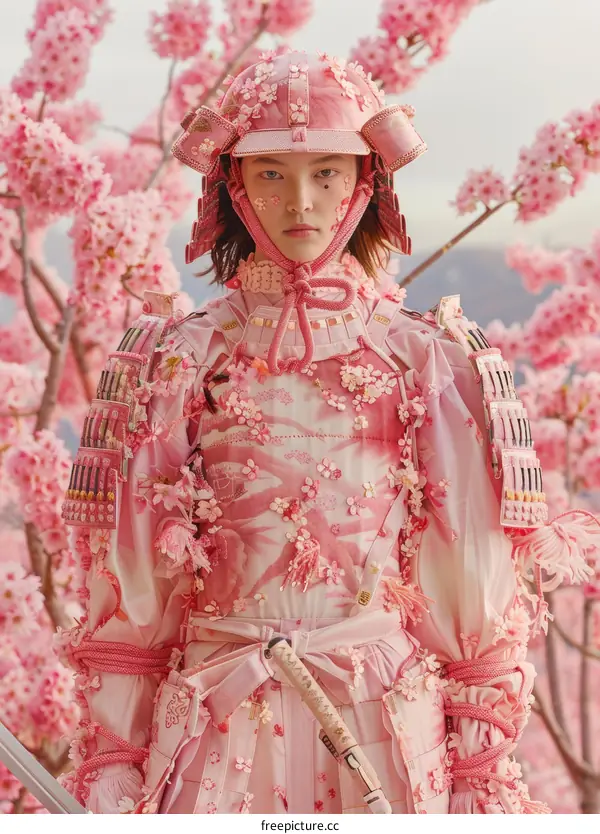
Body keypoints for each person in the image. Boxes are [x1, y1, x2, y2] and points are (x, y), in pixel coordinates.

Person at [59, 50, 597, 815]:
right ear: (234, 188)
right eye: (271, 173)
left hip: (384, 723)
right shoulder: (178, 360)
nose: (300, 201)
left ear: (366, 183)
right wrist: (117, 759)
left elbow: (472, 590)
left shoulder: (430, 360)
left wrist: (479, 774)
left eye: (327, 173)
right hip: (218, 726)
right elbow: (135, 593)